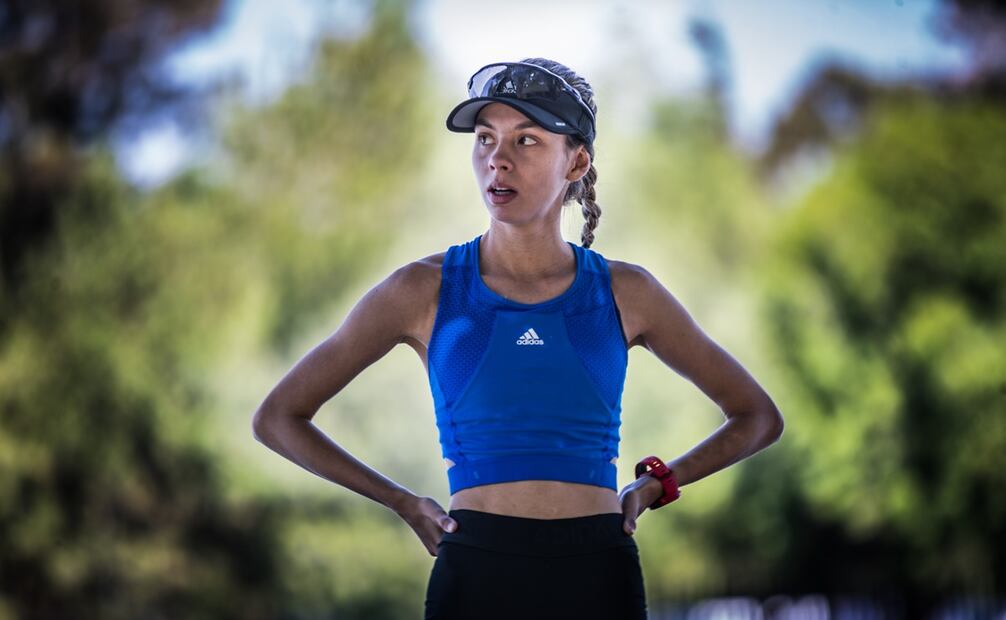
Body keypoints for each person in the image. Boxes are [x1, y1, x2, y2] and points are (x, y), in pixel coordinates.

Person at [251, 57, 785, 619]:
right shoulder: (422, 290)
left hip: (599, 573)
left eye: (526, 140)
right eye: (485, 138)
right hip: (477, 573)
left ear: (576, 161)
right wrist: (400, 501)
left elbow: (757, 416)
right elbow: (278, 418)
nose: (497, 159)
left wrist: (658, 484)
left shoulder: (627, 292)